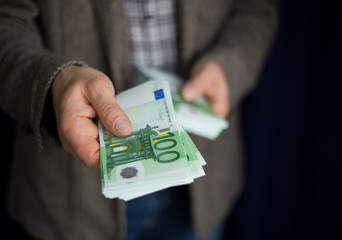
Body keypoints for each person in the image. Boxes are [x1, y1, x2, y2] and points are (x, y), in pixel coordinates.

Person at [0, 0, 278, 239]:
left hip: (203, 188)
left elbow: (256, 8)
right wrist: (52, 86)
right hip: (67, 194)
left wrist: (229, 66)